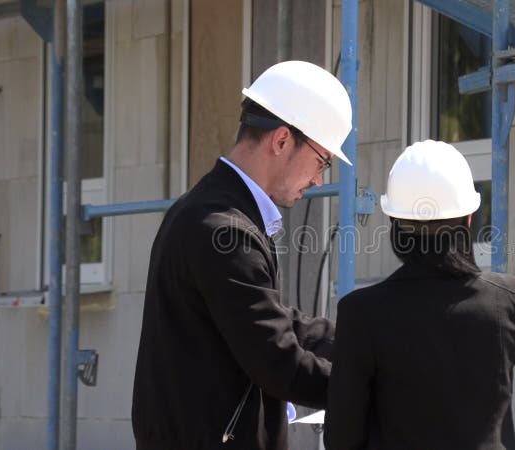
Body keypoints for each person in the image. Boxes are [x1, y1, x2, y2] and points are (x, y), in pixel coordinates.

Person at [132, 60, 352, 450]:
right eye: (322, 161)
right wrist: (376, 385)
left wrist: (365, 341)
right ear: (282, 140)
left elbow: (274, 321)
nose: (320, 179)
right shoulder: (224, 230)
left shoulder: (208, 211)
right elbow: (278, 362)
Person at [324, 140, 515, 450]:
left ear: (395, 225)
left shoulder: (361, 313)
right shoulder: (505, 300)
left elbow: (342, 438)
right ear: (468, 220)